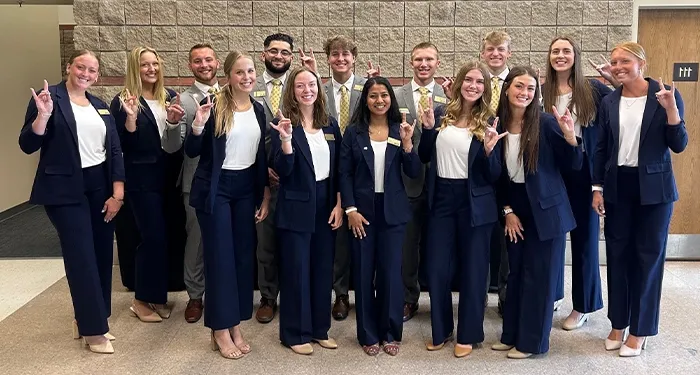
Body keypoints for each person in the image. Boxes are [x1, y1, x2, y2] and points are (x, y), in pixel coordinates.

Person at [18, 50, 124, 354]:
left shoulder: (100, 105)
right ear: (68, 67)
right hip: (64, 190)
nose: (86, 73)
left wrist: (117, 193)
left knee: (102, 253)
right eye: (81, 67)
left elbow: (114, 150)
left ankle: (91, 316)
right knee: (81, 256)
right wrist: (43, 117)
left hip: (99, 187)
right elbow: (27, 144)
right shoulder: (48, 97)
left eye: (93, 70)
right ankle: (94, 331)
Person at [592, 42, 687, 357]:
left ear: (641, 63)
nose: (618, 66)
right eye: (614, 61)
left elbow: (679, 144)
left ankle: (641, 329)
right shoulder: (610, 100)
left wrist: (671, 111)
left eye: (625, 61)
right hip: (619, 186)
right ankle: (618, 323)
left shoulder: (665, 94)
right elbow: (601, 148)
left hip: (655, 192)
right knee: (617, 257)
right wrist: (597, 188)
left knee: (647, 259)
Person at [490, 66, 582, 359]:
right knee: (515, 273)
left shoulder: (545, 123)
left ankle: (532, 343)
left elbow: (574, 165)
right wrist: (507, 210)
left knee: (539, 278)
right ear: (507, 89)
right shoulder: (497, 123)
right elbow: (497, 176)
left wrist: (569, 137)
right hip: (514, 206)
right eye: (519, 86)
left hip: (547, 210)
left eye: (531, 88)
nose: (525, 93)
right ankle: (511, 335)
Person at [185, 51, 270, 359]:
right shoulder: (215, 106)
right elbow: (193, 150)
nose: (246, 77)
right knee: (220, 260)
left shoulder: (259, 109)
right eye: (239, 72)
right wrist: (197, 124)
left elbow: (260, 156)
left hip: (246, 188)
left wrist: (265, 194)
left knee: (241, 260)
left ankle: (234, 324)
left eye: (250, 71)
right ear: (229, 75)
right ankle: (220, 329)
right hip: (216, 190)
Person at [419, 61, 506, 357]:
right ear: (459, 83)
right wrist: (428, 128)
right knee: (437, 268)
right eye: (468, 80)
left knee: (474, 270)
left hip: (475, 201)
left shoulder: (491, 120)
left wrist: (490, 152)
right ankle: (441, 330)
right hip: (441, 197)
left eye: (479, 82)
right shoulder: (443, 113)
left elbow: (495, 174)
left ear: (485, 87)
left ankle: (468, 333)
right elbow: (423, 155)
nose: (473, 85)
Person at [339, 76, 420, 356]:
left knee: (390, 275)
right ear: (366, 100)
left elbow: (413, 172)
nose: (379, 100)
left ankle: (390, 332)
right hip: (361, 212)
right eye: (373, 96)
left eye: (384, 95)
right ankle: (368, 334)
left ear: (391, 99)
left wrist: (409, 145)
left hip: (393, 212)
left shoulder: (401, 129)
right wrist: (350, 209)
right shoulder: (354, 132)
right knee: (362, 274)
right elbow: (344, 173)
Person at [270, 66, 344, 355]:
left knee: (322, 270)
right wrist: (286, 141)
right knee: (296, 271)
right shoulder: (282, 124)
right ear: (292, 90)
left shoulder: (330, 125)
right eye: (300, 86)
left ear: (319, 88)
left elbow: (339, 169)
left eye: (311, 85)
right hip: (296, 205)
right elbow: (283, 170)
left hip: (326, 203)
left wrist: (339, 204)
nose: (307, 90)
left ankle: (319, 329)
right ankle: (294, 333)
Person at [542, 36, 613, 331]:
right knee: (554, 235)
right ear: (549, 57)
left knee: (584, 239)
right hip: (552, 172)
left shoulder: (593, 90)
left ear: (575, 56)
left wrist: (615, 81)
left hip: (584, 171)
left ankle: (583, 305)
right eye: (555, 51)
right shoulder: (542, 91)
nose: (561, 56)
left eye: (566, 51)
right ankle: (555, 293)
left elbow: (624, 106)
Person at [110, 46, 185, 323]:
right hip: (141, 182)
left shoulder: (170, 97)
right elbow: (120, 145)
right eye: (145, 65)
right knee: (151, 239)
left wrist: (175, 123)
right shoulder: (124, 101)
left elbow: (173, 141)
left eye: (155, 63)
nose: (151, 69)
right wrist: (130, 119)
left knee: (165, 239)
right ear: (135, 68)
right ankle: (141, 300)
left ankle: (157, 296)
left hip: (168, 178)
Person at [394, 42, 448, 322]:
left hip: (442, 179)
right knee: (408, 244)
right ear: (411, 62)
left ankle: (440, 301)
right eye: (418, 59)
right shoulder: (396, 94)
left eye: (429, 59)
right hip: (407, 179)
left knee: (439, 244)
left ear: (438, 62)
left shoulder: (449, 95)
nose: (423, 64)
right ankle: (408, 298)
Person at [322, 35, 367, 321]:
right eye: (335, 54)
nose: (340, 58)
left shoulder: (367, 88)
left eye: (346, 54)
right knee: (335, 236)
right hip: (325, 167)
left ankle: (363, 293)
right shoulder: (317, 87)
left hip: (362, 169)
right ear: (328, 58)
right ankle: (340, 294)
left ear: (354, 58)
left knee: (361, 232)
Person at [177, 43, 221, 323]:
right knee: (197, 241)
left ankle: (223, 293)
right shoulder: (182, 100)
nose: (204, 65)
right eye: (197, 61)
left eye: (208, 59)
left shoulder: (232, 95)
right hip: (196, 182)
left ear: (217, 62)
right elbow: (176, 146)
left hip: (230, 183)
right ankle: (195, 296)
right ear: (190, 66)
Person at [253, 33, 295, 323]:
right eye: (273, 51)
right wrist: (261, 170)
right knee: (265, 242)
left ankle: (293, 296)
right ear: (263, 54)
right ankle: (268, 297)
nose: (279, 56)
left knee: (293, 241)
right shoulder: (248, 85)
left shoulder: (301, 86)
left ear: (291, 57)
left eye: (284, 52)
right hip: (259, 177)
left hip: (293, 177)